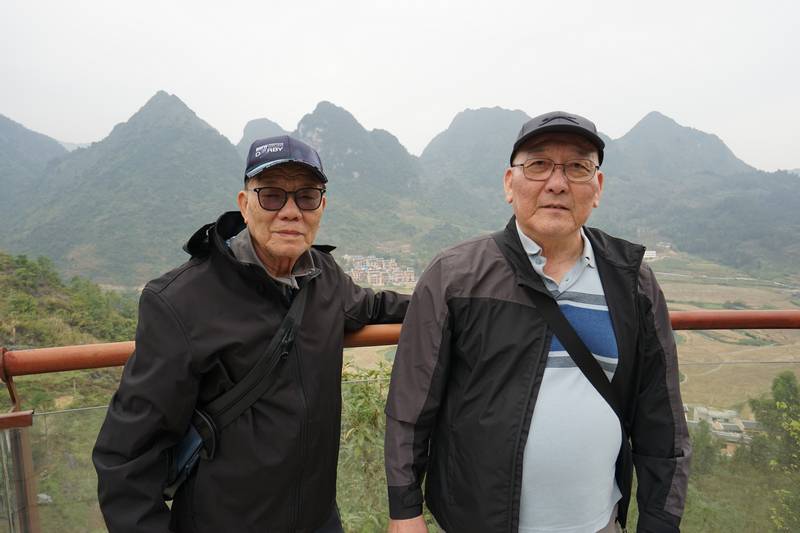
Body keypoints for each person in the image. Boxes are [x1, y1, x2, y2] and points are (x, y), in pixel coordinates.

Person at [384, 112, 691, 533]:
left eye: (577, 167)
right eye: (538, 165)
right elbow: (411, 405)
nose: (557, 183)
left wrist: (660, 522)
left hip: (599, 523)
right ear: (509, 183)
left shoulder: (631, 281)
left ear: (597, 187)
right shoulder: (456, 275)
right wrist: (404, 510)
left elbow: (662, 419)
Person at [93, 135, 409, 532]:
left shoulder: (323, 276)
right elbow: (127, 456)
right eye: (272, 196)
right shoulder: (181, 301)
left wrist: (454, 305)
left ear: (322, 207)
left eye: (307, 197)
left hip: (319, 520)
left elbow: (374, 307)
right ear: (244, 205)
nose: (291, 212)